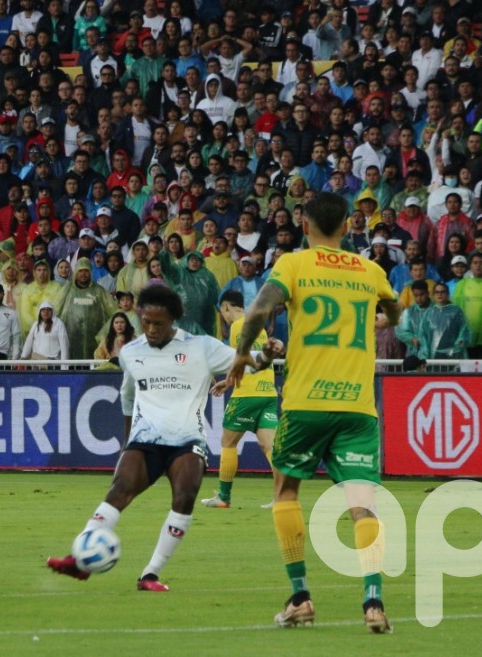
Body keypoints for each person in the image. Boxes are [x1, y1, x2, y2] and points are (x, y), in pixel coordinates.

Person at [224, 193, 402, 632]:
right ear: (346, 226)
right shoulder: (370, 270)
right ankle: (374, 603)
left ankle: (301, 598)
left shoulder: (293, 264)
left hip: (306, 404)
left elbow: (259, 310)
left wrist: (242, 354)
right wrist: (384, 318)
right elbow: (395, 310)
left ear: (304, 225)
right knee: (363, 506)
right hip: (358, 407)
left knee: (286, 492)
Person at [47, 284, 283, 591]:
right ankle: (80, 560)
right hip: (145, 438)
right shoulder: (131, 352)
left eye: (158, 323)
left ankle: (150, 574)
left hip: (187, 440)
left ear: (173, 319)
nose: (151, 329)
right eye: (146, 322)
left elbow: (247, 360)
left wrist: (266, 354)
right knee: (119, 490)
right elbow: (127, 397)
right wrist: (127, 441)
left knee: (184, 498)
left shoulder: (201, 347)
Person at [202, 290, 276, 509]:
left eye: (222, 311)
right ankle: (283, 496)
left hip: (247, 394)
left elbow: (240, 359)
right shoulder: (260, 327)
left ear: (225, 307)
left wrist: (228, 381)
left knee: (228, 443)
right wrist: (228, 382)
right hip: (268, 392)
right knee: (269, 446)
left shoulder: (237, 326)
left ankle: (224, 497)